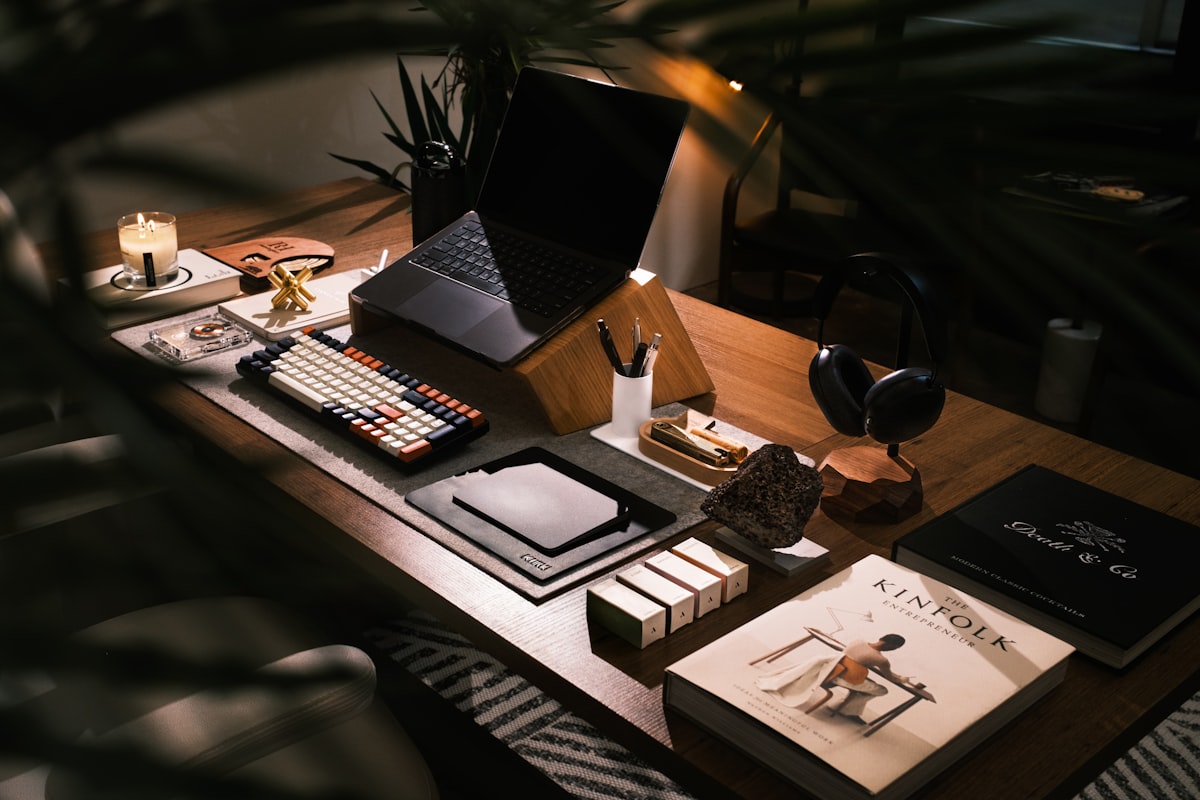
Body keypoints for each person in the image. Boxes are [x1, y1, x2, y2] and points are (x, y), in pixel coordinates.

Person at [814, 634, 911, 723]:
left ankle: (849, 709)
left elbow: (857, 659)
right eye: (895, 648)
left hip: (831, 672)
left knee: (868, 685)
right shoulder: (882, 660)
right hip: (845, 680)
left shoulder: (858, 642)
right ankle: (844, 708)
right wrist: (902, 679)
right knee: (882, 690)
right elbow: (890, 677)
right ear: (893, 647)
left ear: (881, 638)